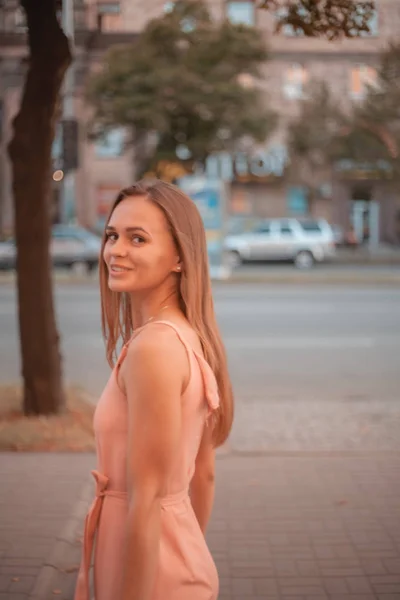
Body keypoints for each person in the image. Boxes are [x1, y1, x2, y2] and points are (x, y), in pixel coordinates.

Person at [74, 179, 234, 600]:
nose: (115, 250)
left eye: (137, 238)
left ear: (180, 257)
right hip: (165, 563)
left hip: (147, 575)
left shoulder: (155, 349)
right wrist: (184, 547)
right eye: (112, 235)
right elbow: (204, 473)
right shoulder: (183, 336)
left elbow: (145, 500)